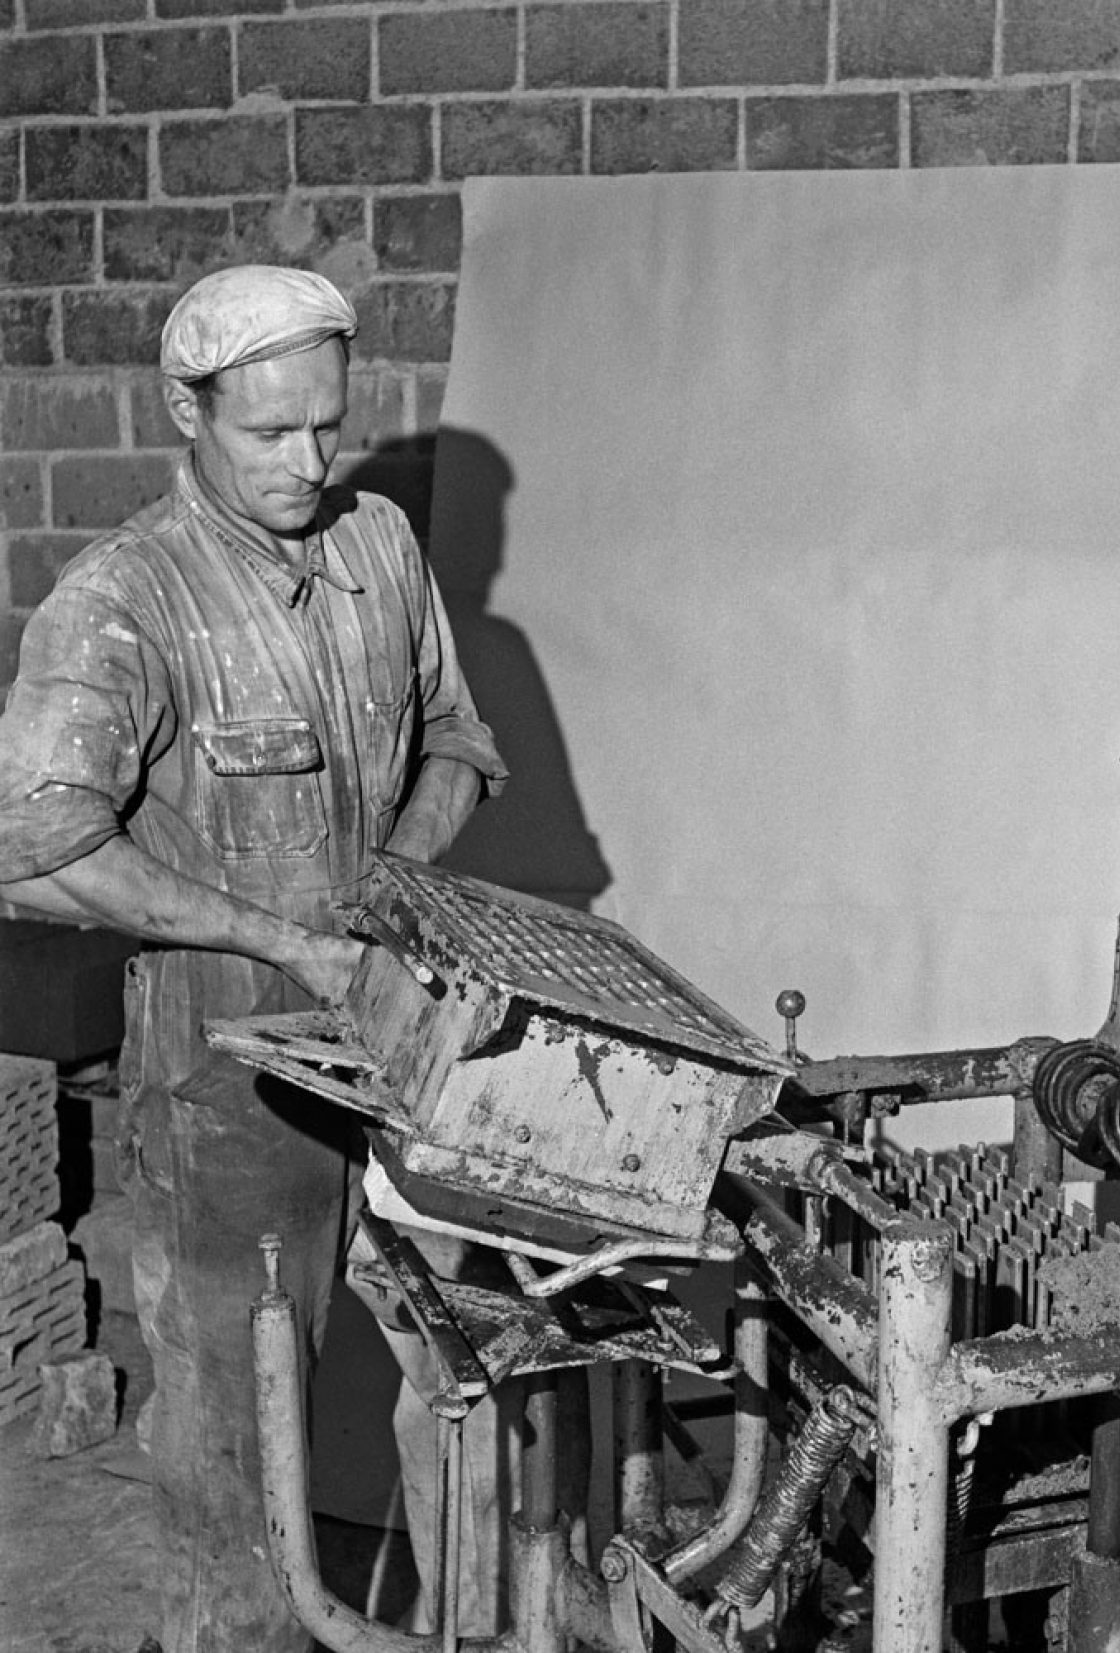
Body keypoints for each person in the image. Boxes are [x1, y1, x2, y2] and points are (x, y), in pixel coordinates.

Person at [0, 265, 507, 1653]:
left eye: (326, 427)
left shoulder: (380, 550)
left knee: (456, 1386)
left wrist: (388, 879)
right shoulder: (123, 604)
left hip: (395, 1044)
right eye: (267, 433)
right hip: (227, 1085)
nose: (308, 462)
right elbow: (30, 848)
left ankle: (453, 1629)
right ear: (186, 410)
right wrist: (283, 938)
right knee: (235, 1444)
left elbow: (459, 740)